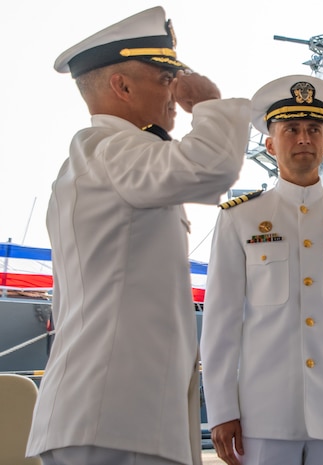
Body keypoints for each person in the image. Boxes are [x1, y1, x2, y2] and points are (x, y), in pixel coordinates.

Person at [26, 7, 251, 465]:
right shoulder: (113, 149)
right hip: (115, 417)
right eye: (166, 78)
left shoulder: (97, 158)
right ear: (122, 87)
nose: (175, 92)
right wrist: (208, 103)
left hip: (112, 414)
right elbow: (211, 168)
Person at [200, 74, 323, 465]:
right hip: (264, 411)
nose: (303, 138)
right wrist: (221, 411)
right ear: (270, 144)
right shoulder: (241, 219)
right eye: (291, 129)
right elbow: (221, 323)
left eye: (313, 129)